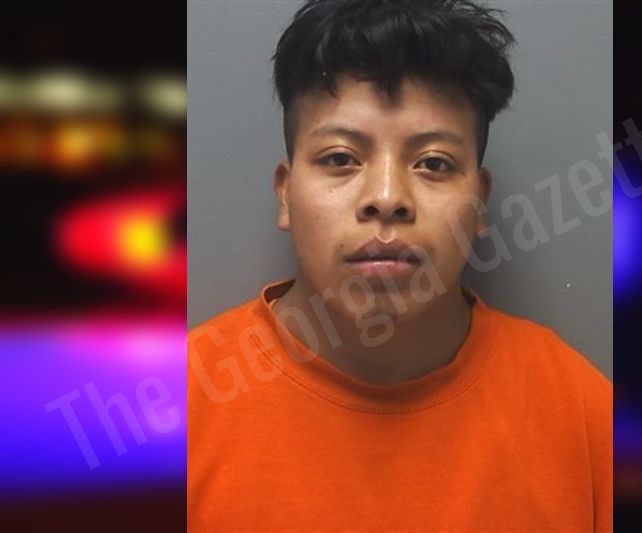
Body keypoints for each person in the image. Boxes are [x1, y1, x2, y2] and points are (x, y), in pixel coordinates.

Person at [188, 0, 612, 530]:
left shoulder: (584, 415)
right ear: (285, 195)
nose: (387, 198)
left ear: (479, 204)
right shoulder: (175, 412)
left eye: (433, 163)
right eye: (340, 158)